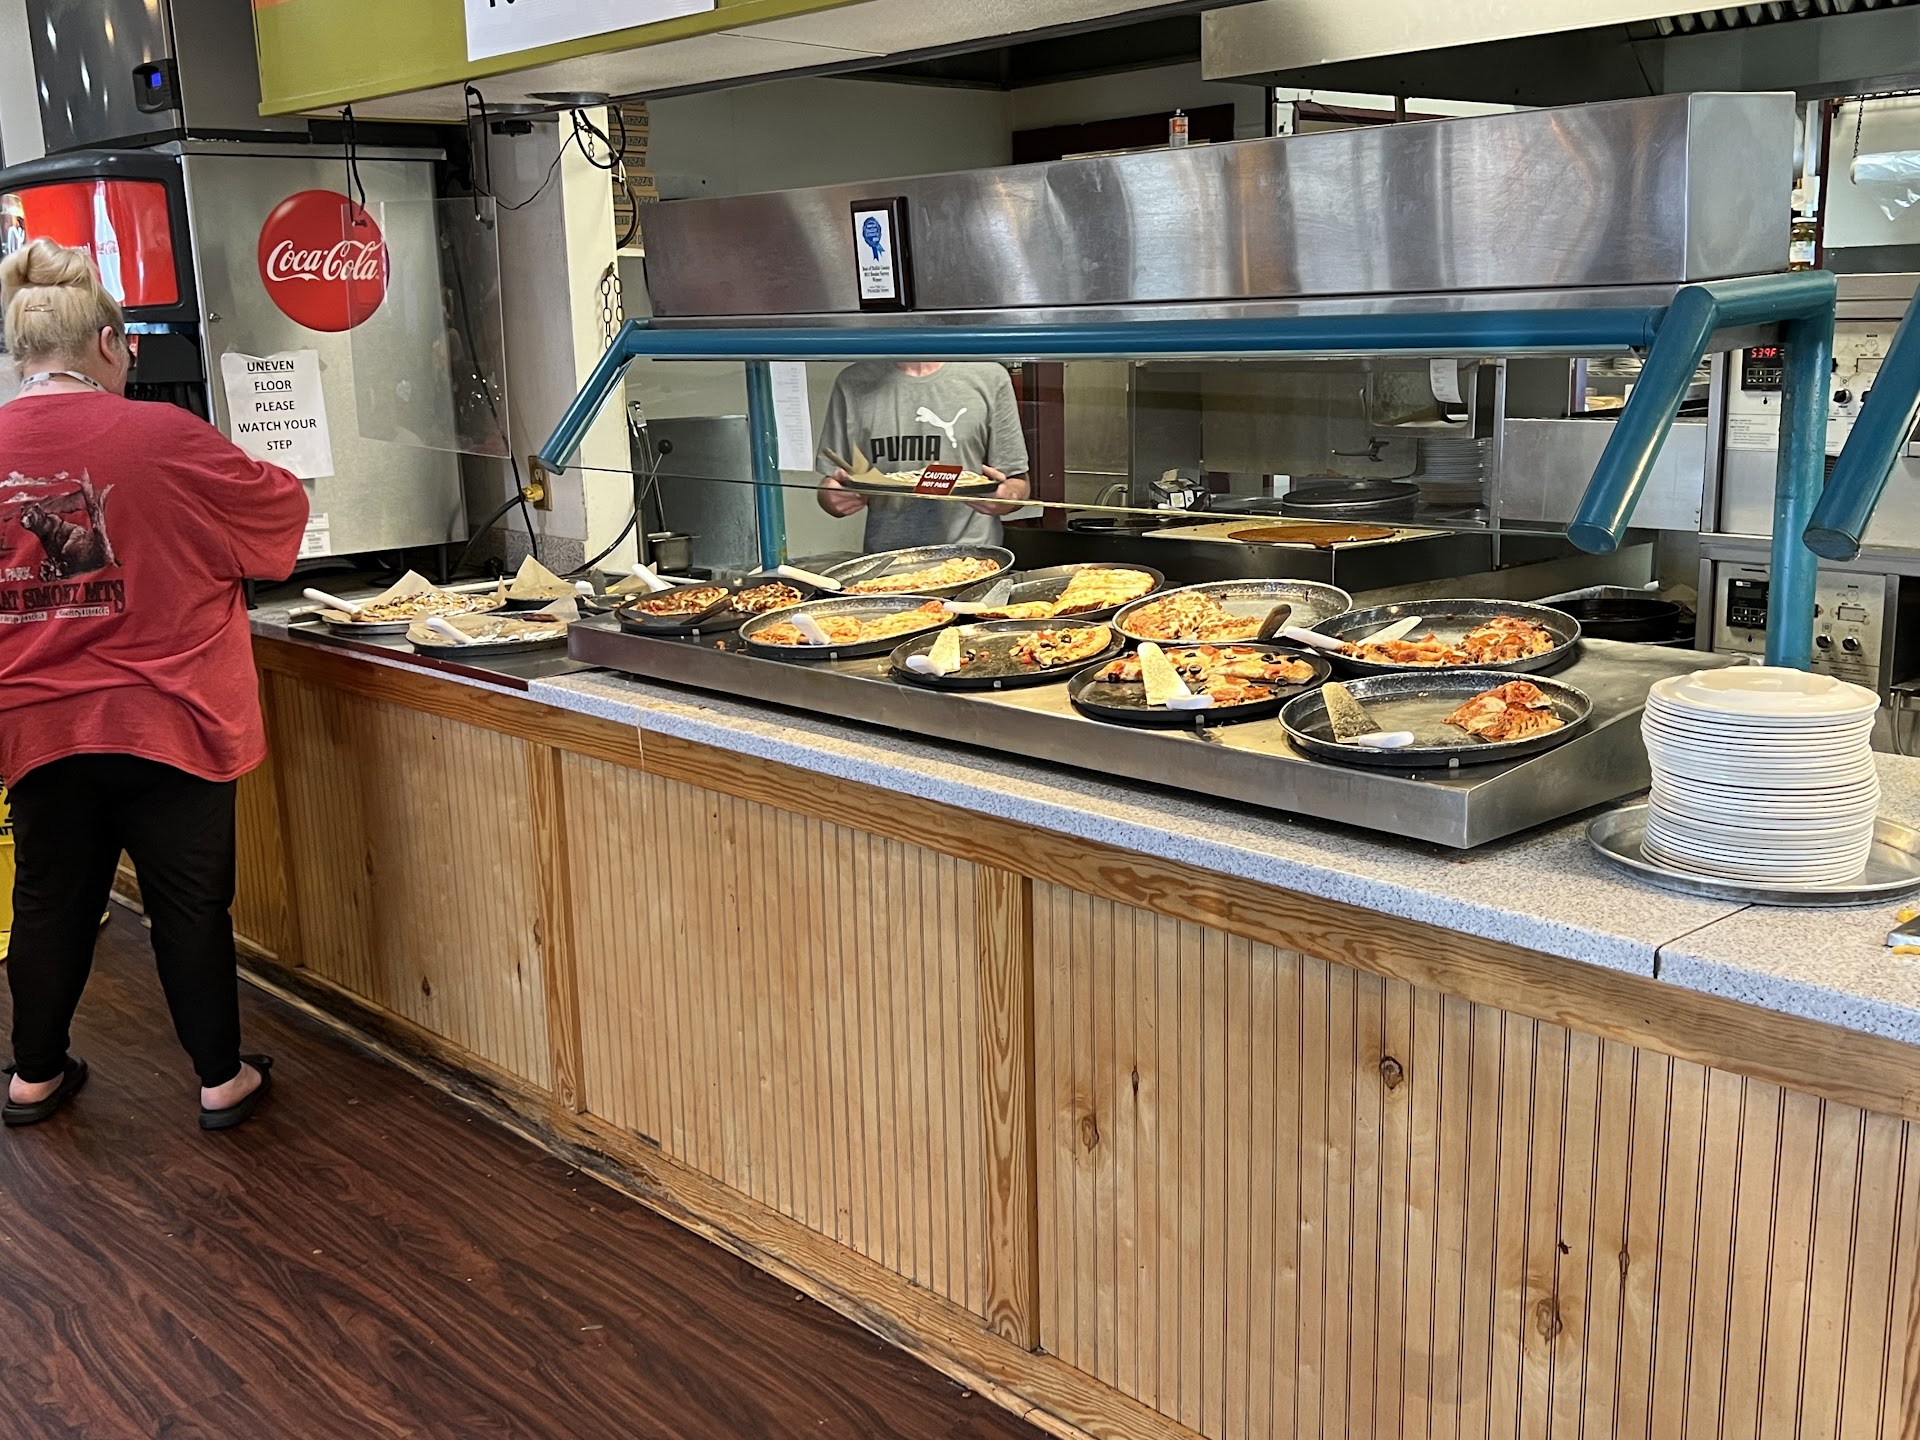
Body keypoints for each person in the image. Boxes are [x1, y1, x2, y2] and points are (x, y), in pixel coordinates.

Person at [0, 239, 308, 1130]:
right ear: (109, 342)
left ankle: (33, 1078)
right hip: (172, 718)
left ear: (22, 354)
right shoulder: (166, 437)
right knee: (189, 904)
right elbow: (279, 519)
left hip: (36, 725)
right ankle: (220, 1081)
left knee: (49, 899)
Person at [815, 361, 1031, 549]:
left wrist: (1008, 497)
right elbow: (831, 480)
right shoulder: (852, 381)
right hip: (888, 561)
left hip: (973, 558)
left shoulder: (990, 377)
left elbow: (1018, 481)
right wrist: (832, 497)